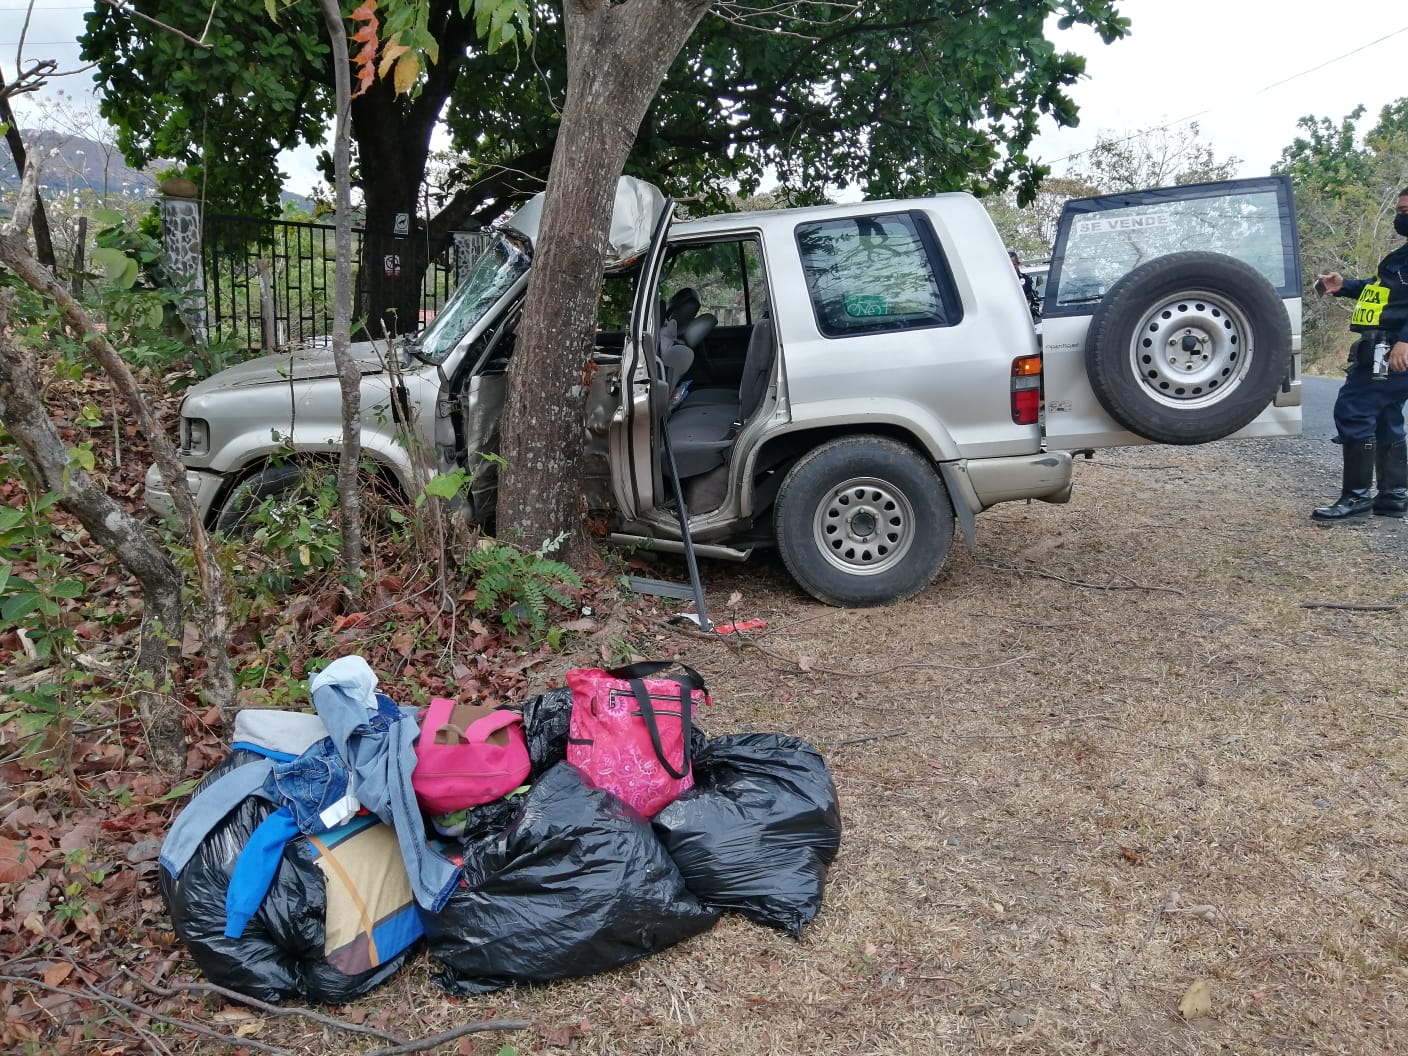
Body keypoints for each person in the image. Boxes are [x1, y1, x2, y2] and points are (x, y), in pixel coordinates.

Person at [1311, 187, 1408, 521]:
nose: (1400, 217)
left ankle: (1356, 498)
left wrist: (1405, 341)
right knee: (1386, 414)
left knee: (1355, 408)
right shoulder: (1402, 255)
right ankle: (1394, 496)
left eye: (1406, 211)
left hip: (1393, 347)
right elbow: (1385, 292)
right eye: (1399, 210)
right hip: (1383, 344)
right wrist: (1345, 286)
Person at [1009, 249, 1041, 321]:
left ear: (1018, 264)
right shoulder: (1000, 280)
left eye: (1014, 264)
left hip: (1024, 313)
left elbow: (1030, 298)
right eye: (1009, 265)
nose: (1011, 267)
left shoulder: (1026, 279)